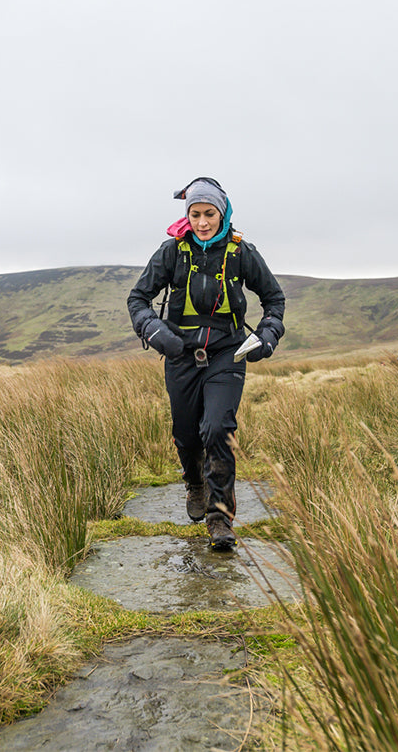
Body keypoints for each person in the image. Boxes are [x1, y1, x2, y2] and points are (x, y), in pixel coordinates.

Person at [127, 177, 285, 550]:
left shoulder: (241, 251)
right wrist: (153, 330)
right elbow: (137, 299)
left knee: (217, 429)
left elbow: (274, 299)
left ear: (222, 213)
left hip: (227, 355)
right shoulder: (171, 252)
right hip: (180, 355)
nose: (202, 222)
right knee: (186, 433)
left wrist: (268, 334)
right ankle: (194, 483)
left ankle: (219, 519)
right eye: (195, 214)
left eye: (209, 214)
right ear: (188, 215)